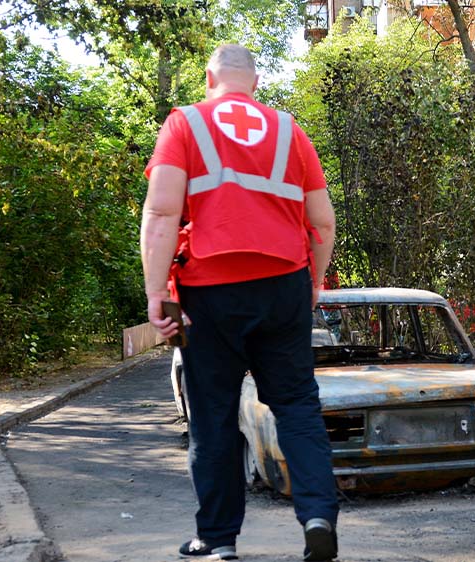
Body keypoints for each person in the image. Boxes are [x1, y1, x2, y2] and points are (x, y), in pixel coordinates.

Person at [140, 44, 339, 561]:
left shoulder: (184, 124)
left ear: (210, 79)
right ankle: (318, 516)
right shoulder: (289, 130)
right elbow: (322, 223)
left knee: (212, 413)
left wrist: (156, 292)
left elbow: (162, 216)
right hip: (283, 284)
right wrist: (313, 282)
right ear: (254, 82)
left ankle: (218, 539)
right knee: (296, 405)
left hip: (210, 291)